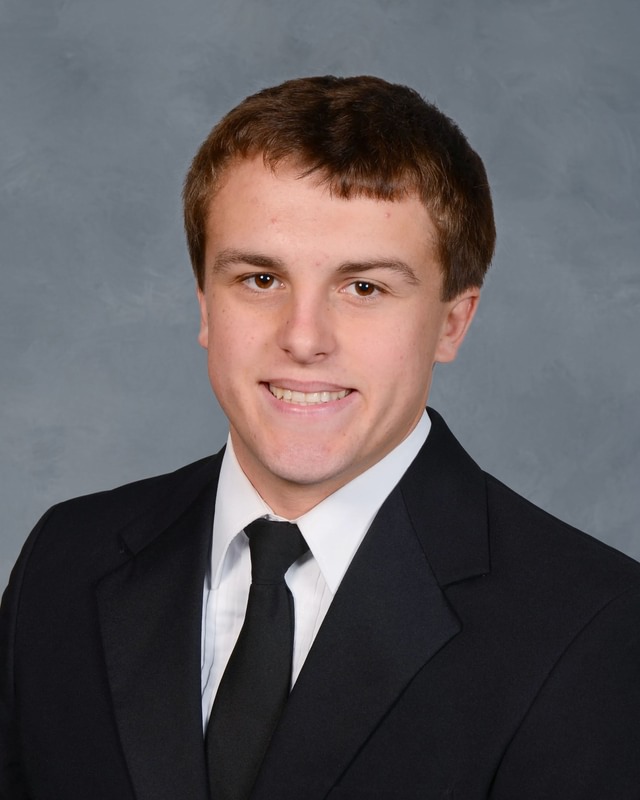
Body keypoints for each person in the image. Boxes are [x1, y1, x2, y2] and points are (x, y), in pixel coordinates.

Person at [1, 75, 639, 800]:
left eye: (363, 288)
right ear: (206, 304)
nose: (303, 339)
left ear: (452, 323)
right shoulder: (65, 560)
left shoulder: (597, 629)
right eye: (260, 279)